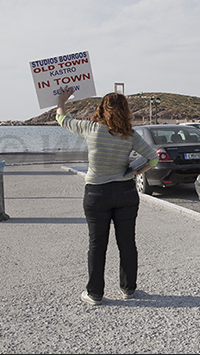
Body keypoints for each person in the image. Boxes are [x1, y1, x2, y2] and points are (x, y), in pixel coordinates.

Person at [56, 87, 159, 306]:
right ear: (125, 111)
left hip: (97, 193)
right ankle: (129, 289)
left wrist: (62, 101)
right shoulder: (130, 134)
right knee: (127, 243)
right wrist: (135, 172)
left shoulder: (90, 129)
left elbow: (62, 119)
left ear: (102, 109)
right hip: (125, 193)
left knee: (97, 245)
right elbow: (152, 158)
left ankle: (94, 294)